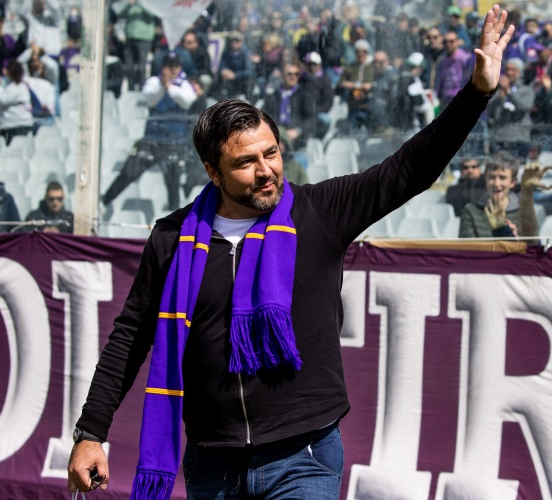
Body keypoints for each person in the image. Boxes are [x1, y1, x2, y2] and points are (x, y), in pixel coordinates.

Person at [66, 6, 515, 498]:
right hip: (212, 464)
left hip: (304, 457)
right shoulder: (171, 238)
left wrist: (476, 93)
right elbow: (131, 337)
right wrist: (91, 432)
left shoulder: (318, 212)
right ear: (213, 172)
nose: (265, 171)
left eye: (271, 153)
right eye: (245, 162)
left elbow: (409, 170)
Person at [102, 53, 197, 212]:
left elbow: (187, 102)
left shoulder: (185, 85)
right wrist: (163, 85)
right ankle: (104, 201)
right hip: (152, 139)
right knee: (129, 173)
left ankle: (174, 217)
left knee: (173, 184)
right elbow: (151, 100)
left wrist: (170, 87)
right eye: (168, 66)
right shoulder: (153, 82)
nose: (172, 70)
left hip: (174, 142)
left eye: (175, 66)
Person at [459, 152, 521, 238]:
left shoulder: (522, 212)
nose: (496, 183)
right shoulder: (470, 212)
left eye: (502, 178)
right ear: (485, 178)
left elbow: (533, 244)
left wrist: (515, 238)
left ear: (513, 182)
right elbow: (467, 245)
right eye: (492, 177)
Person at [114, 0, 157, 91]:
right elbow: (120, 14)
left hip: (144, 38)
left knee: (141, 66)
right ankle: (131, 88)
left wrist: (141, 2)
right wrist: (129, 4)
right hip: (129, 37)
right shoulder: (131, 3)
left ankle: (142, 88)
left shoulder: (150, 2)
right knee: (128, 66)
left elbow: (153, 14)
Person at [0, 59, 34, 145]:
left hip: (17, 125)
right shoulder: (15, 86)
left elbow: (1, 100)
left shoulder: (17, 86)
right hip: (14, 124)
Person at [435, 31, 472, 111]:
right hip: (445, 100)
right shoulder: (443, 60)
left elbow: (470, 78)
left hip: (460, 100)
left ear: (457, 42)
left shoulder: (464, 58)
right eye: (445, 42)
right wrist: (438, 95)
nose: (448, 44)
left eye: (451, 41)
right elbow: (442, 80)